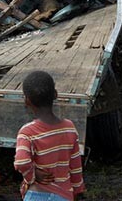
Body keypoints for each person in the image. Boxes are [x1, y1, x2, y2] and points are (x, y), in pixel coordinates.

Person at [14, 70, 85, 201]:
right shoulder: (69, 128)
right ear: (55, 94)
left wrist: (32, 175)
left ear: (27, 101)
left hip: (36, 194)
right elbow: (75, 167)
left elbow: (22, 162)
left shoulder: (27, 132)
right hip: (63, 195)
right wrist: (78, 191)